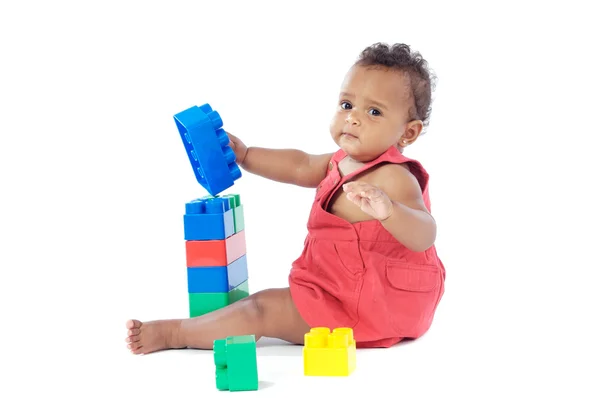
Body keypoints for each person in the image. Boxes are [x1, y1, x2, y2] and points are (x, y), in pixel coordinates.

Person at [125, 42, 446, 354]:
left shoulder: (394, 176)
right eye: (347, 105)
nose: (353, 118)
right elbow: (299, 165)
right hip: (342, 290)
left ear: (408, 133)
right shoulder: (340, 161)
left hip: (375, 304)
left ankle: (174, 333)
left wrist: (389, 211)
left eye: (374, 111)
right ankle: (206, 326)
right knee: (260, 306)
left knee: (262, 310)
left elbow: (425, 233)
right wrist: (246, 155)